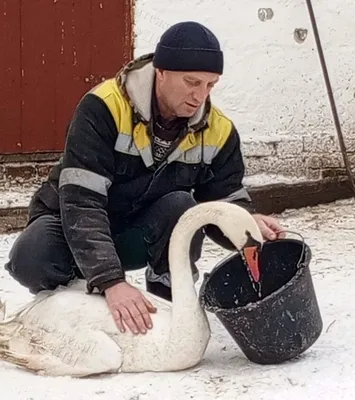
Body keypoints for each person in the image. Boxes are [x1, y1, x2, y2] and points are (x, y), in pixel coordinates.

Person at [4, 21, 284, 335]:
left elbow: (220, 202)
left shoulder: (218, 131)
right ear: (161, 71)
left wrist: (247, 222)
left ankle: (166, 301)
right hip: (72, 221)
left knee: (183, 206)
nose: (199, 96)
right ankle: (79, 301)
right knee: (31, 258)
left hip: (138, 230)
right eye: (191, 82)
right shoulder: (103, 108)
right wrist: (111, 281)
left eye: (210, 85)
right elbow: (81, 202)